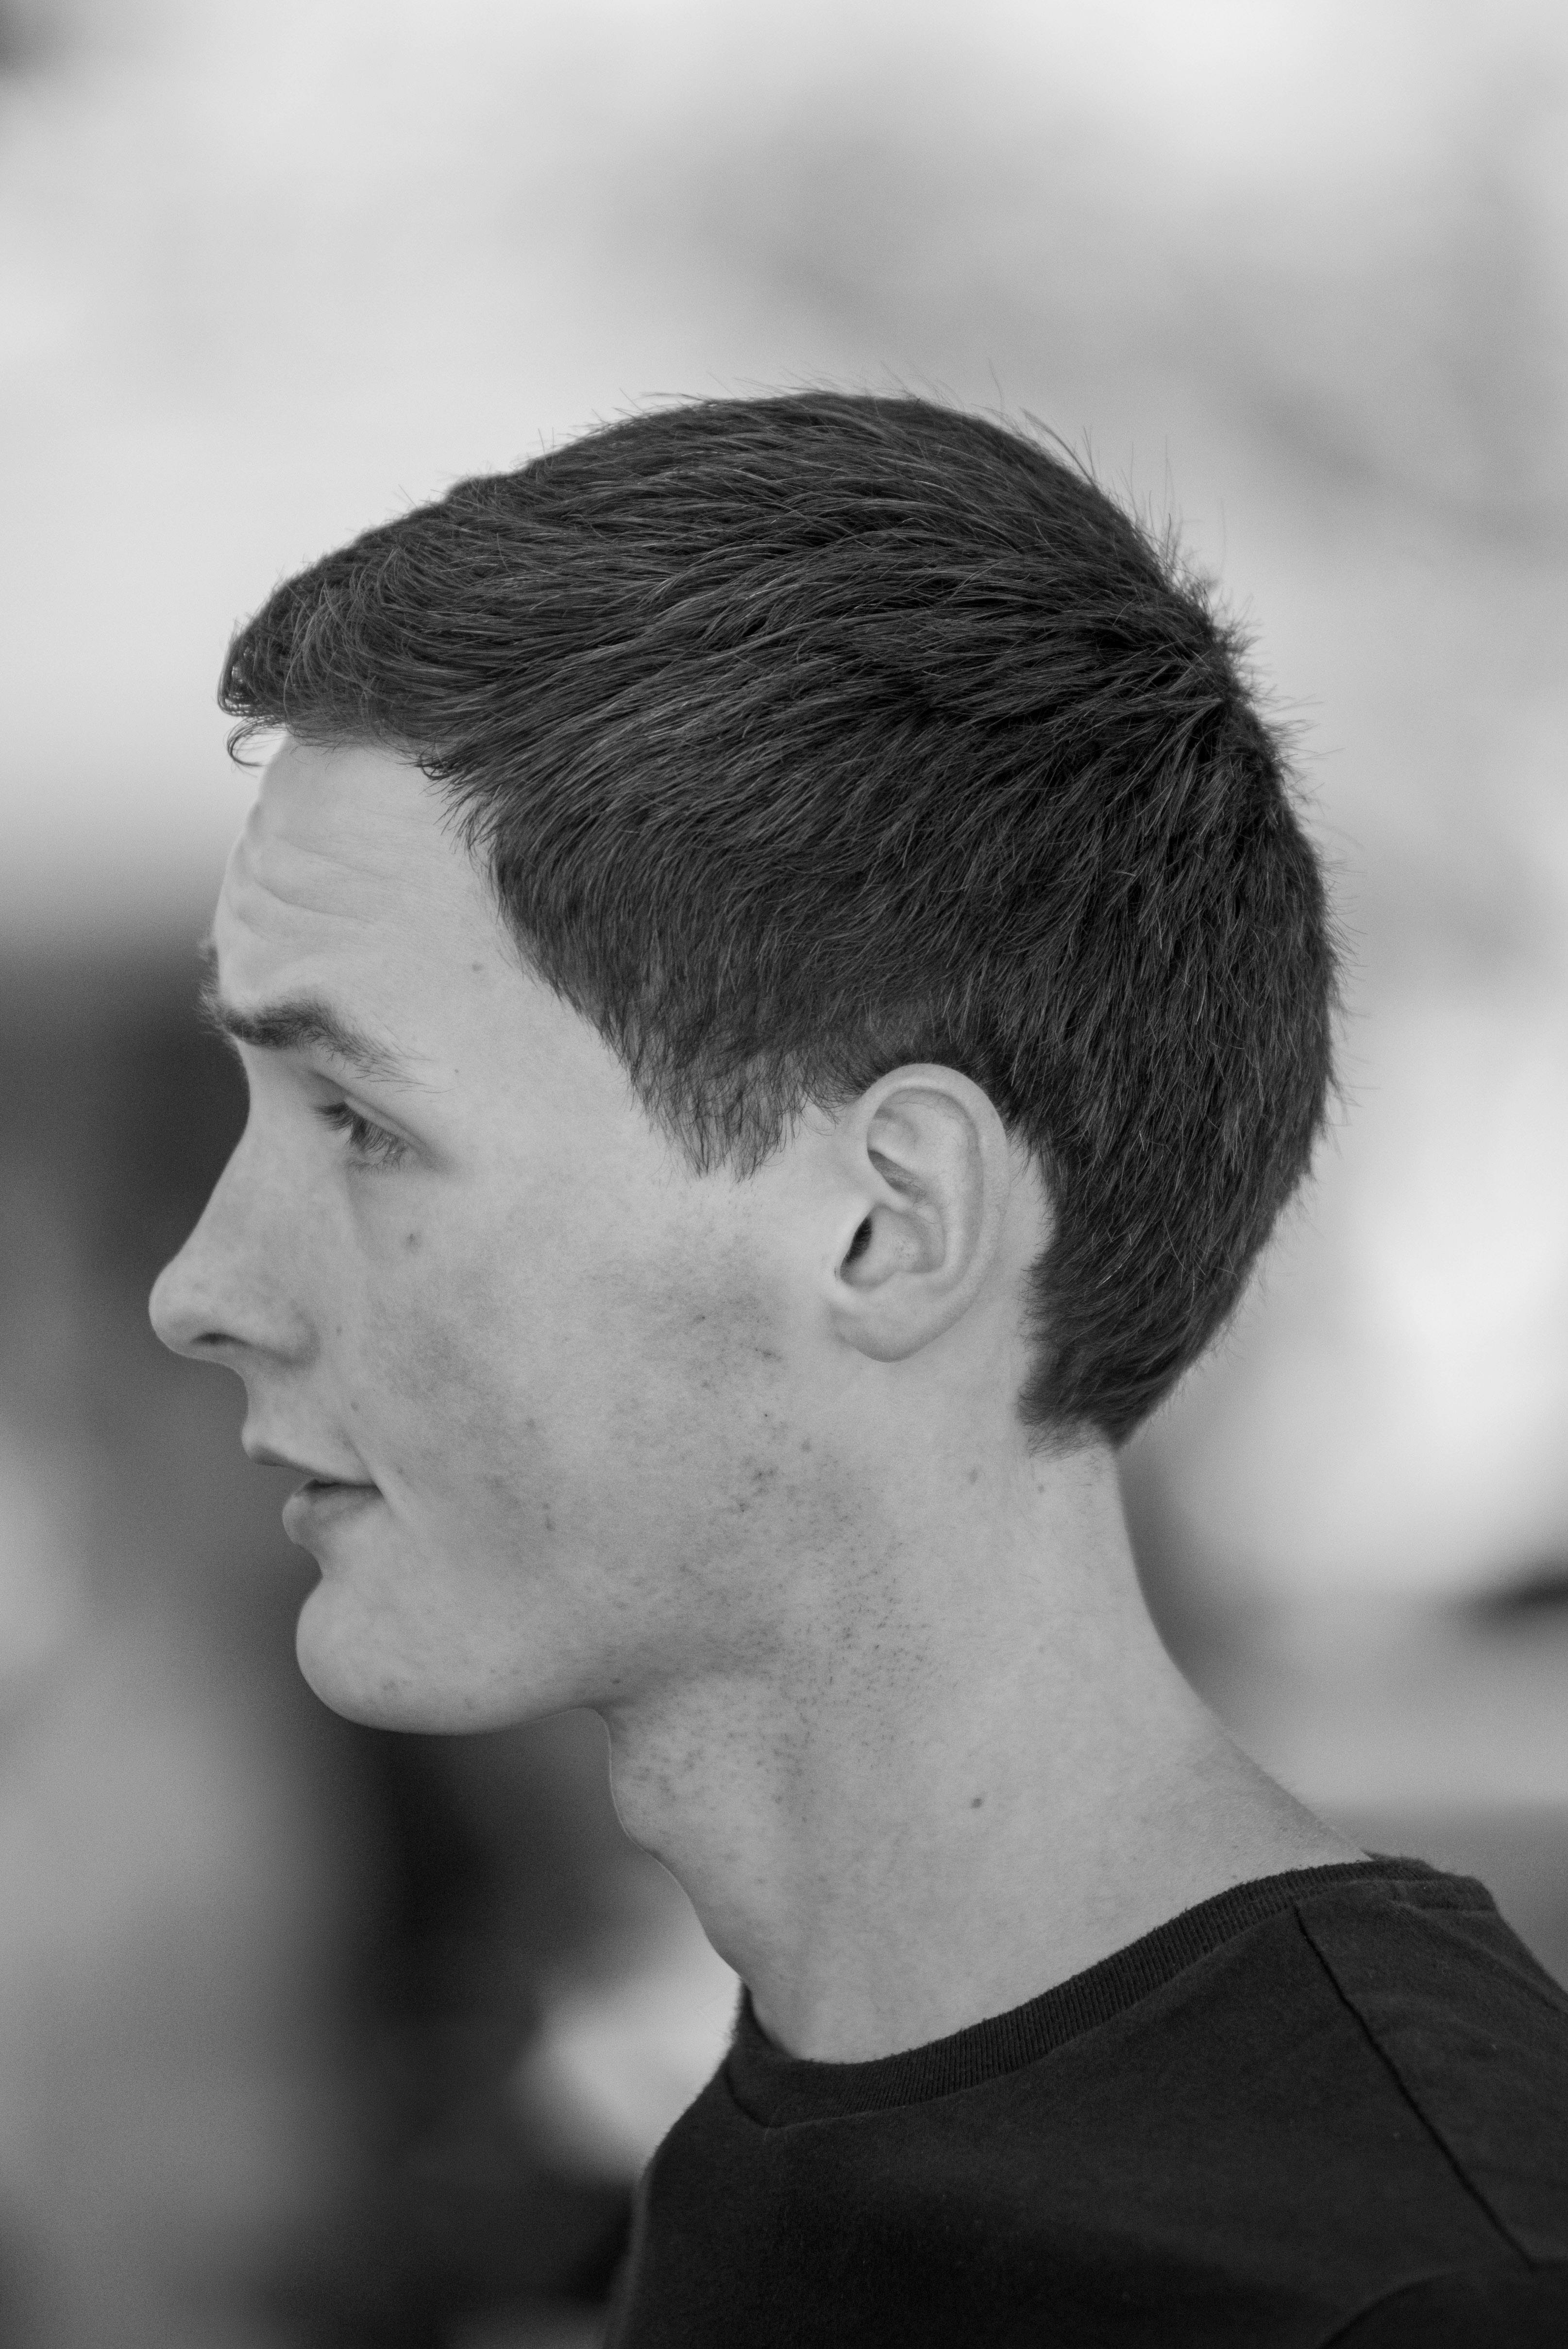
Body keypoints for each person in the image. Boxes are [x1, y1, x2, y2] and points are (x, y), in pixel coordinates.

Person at [150, 392, 1568, 2346]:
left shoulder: (1414, 2280)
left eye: (361, 1120)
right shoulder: (797, 2152)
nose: (203, 1285)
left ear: (886, 1222)